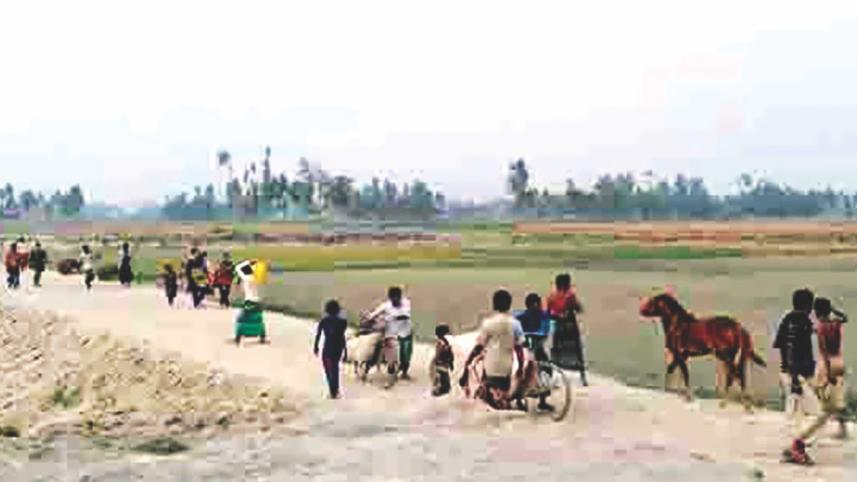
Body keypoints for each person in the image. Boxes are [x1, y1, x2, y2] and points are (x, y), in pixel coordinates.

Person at [460, 289, 526, 410]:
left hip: (490, 366)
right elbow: (519, 349)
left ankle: (490, 397)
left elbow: (479, 347)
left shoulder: (488, 323)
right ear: (509, 304)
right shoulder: (515, 324)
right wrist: (521, 367)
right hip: (506, 366)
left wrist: (468, 362)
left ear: (494, 304)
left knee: (488, 393)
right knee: (502, 394)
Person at [775, 288, 820, 465]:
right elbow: (792, 349)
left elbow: (781, 347)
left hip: (790, 373)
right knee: (818, 414)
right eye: (811, 303)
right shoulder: (799, 321)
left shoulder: (788, 319)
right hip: (796, 375)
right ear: (807, 304)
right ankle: (796, 447)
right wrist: (795, 378)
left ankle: (793, 449)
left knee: (796, 416)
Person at [547, 273, 587, 386]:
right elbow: (579, 309)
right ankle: (582, 378)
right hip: (570, 326)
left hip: (559, 327)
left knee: (556, 351)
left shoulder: (552, 296)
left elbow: (548, 314)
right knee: (577, 351)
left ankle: (553, 378)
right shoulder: (570, 296)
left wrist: (557, 315)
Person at [516, 293, 554, 412]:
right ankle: (542, 401)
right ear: (535, 304)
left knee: (520, 373)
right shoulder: (542, 316)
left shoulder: (520, 316)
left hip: (524, 350)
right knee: (547, 371)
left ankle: (519, 400)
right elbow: (544, 333)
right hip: (537, 350)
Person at [367, 286, 411, 387]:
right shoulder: (385, 306)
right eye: (393, 298)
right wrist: (369, 319)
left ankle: (404, 372)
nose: (396, 300)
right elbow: (373, 315)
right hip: (391, 334)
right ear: (390, 298)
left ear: (400, 297)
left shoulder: (406, 303)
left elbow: (405, 315)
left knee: (405, 356)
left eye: (397, 297)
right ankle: (390, 377)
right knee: (392, 357)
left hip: (405, 333)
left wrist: (388, 318)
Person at [314, 300, 348, 399]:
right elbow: (342, 336)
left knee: (328, 369)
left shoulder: (324, 320)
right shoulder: (342, 322)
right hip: (338, 347)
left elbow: (318, 334)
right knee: (335, 368)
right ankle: (335, 390)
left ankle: (332, 389)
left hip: (328, 347)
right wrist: (345, 351)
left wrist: (316, 346)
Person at [430, 324, 455, 397]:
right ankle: (440, 390)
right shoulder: (443, 342)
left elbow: (440, 353)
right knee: (442, 377)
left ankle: (440, 389)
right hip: (442, 363)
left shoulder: (442, 342)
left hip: (442, 363)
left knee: (442, 376)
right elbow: (440, 353)